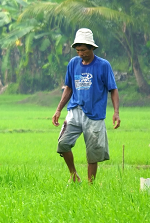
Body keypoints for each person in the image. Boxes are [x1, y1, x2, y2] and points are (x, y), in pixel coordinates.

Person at [52, 28, 121, 184]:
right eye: (78, 50)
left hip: (95, 114)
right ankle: (73, 175)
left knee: (93, 152)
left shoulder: (103, 65)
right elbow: (68, 87)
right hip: (75, 110)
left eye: (83, 50)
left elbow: (113, 89)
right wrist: (58, 109)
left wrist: (116, 112)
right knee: (62, 144)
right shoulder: (73, 64)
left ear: (92, 48)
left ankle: (91, 185)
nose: (80, 53)